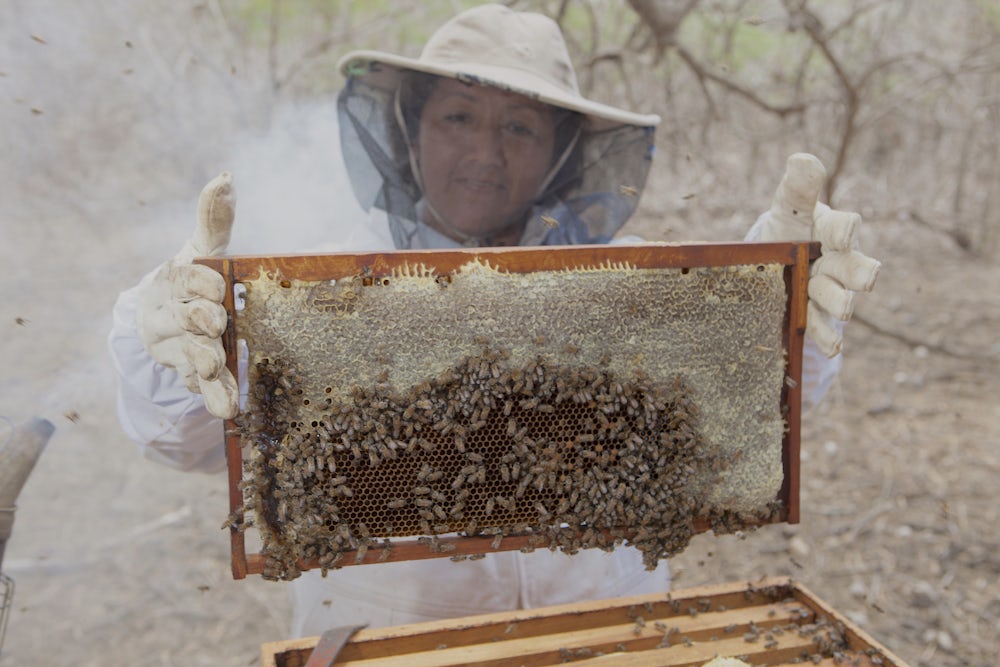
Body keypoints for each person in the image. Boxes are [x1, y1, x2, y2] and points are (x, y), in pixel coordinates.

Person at [108, 4, 879, 638]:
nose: (485, 150)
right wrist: (172, 332)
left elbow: (750, 408)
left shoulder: (637, 286)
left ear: (560, 153)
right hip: (387, 644)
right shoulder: (317, 299)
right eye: (458, 116)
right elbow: (180, 432)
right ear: (410, 131)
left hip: (606, 635)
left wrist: (776, 306)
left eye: (519, 127)